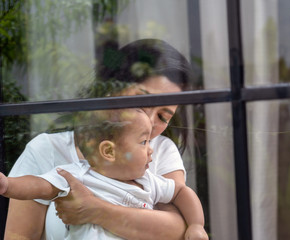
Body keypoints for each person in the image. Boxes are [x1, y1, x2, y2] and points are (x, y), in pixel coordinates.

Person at [5, 39, 208, 240]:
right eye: (141, 100)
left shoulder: (161, 152)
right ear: (113, 88)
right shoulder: (46, 150)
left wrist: (95, 210)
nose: (148, 119)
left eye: (163, 117)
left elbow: (179, 229)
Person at [0, 108, 206, 239]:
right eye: (143, 142)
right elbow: (40, 185)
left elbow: (181, 192)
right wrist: (8, 185)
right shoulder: (78, 175)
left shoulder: (148, 181)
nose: (151, 149)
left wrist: (196, 225)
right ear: (109, 151)